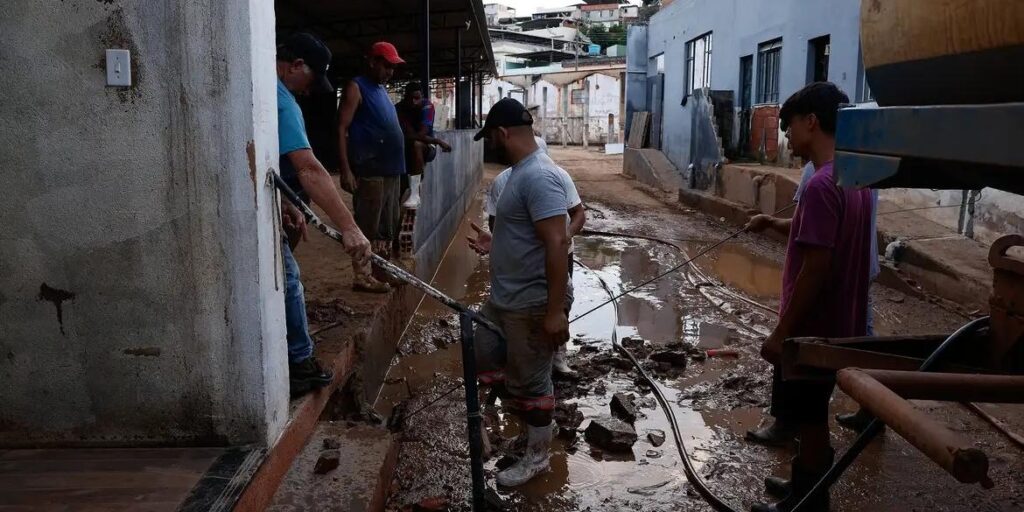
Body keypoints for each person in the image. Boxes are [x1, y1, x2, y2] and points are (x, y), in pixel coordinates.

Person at [743, 82, 873, 512]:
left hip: (812, 331)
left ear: (811, 122)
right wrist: (769, 222)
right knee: (810, 412)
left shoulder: (819, 185)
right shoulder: (857, 179)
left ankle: (809, 502)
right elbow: (815, 234)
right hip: (842, 325)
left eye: (789, 125)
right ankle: (804, 484)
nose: (784, 135)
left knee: (811, 420)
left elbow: (815, 268)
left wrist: (782, 333)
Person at [466, 98, 571, 487]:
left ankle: (538, 457)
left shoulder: (539, 177)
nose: (490, 144)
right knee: (486, 354)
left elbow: (557, 243)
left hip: (529, 303)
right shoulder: (519, 175)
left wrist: (555, 311)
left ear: (503, 133)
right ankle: (529, 434)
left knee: (532, 382)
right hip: (503, 301)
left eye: (491, 137)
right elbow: (527, 234)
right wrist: (497, 242)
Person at [276, 33, 372, 396]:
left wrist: (286, 202)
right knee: (287, 280)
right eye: (312, 79)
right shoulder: (282, 101)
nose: (310, 88)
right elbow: (310, 170)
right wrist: (349, 227)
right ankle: (299, 364)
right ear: (296, 66)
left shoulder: (264, 91)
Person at [480, 135, 585, 377]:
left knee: (558, 298)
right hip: (522, 259)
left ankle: (557, 356)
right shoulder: (502, 182)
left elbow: (578, 213)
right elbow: (497, 224)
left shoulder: (555, 175)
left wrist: (563, 237)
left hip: (560, 252)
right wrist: (498, 244)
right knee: (521, 306)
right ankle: (521, 354)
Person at [338, 41, 407, 293]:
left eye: (392, 67)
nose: (390, 71)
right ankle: (363, 276)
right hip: (371, 169)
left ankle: (381, 270)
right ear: (372, 61)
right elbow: (342, 128)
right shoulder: (357, 87)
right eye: (386, 65)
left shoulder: (381, 90)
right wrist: (346, 168)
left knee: (387, 225)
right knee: (367, 224)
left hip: (391, 169)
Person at [396, 82, 451, 208]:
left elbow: (422, 134)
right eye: (411, 98)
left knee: (417, 144)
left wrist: (433, 142)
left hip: (426, 148)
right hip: (405, 148)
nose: (415, 102)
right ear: (405, 97)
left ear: (421, 96)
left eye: (417, 98)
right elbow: (408, 135)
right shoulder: (399, 109)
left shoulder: (427, 106)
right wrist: (438, 141)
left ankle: (415, 194)